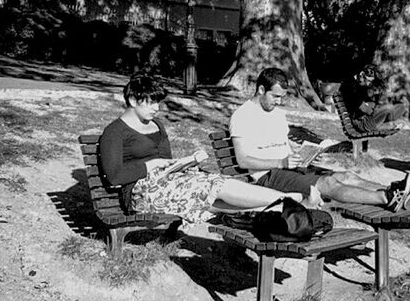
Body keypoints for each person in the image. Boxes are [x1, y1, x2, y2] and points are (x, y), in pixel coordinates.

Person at [229, 67, 410, 212]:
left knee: (345, 175)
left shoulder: (276, 114)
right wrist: (281, 162)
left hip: (290, 168)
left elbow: (284, 144)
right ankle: (388, 199)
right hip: (268, 176)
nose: (279, 101)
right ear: (261, 90)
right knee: (328, 183)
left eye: (282, 97)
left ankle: (396, 189)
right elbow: (243, 160)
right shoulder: (242, 116)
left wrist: (306, 155)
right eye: (275, 96)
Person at [99, 72, 283, 225]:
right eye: (151, 102)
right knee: (216, 187)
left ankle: (280, 208)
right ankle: (289, 200)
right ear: (132, 100)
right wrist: (151, 165)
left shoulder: (157, 125)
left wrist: (186, 163)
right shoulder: (115, 132)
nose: (157, 108)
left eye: (159, 102)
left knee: (214, 185)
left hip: (169, 183)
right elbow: (114, 175)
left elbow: (167, 162)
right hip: (141, 193)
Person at [339, 70, 406, 132]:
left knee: (401, 106)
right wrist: (375, 108)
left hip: (368, 119)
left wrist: (374, 106)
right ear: (362, 74)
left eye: (370, 81)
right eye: (367, 80)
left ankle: (388, 123)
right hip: (362, 123)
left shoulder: (359, 85)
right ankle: (389, 123)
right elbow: (365, 109)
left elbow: (368, 104)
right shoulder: (352, 88)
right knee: (388, 108)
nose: (368, 84)